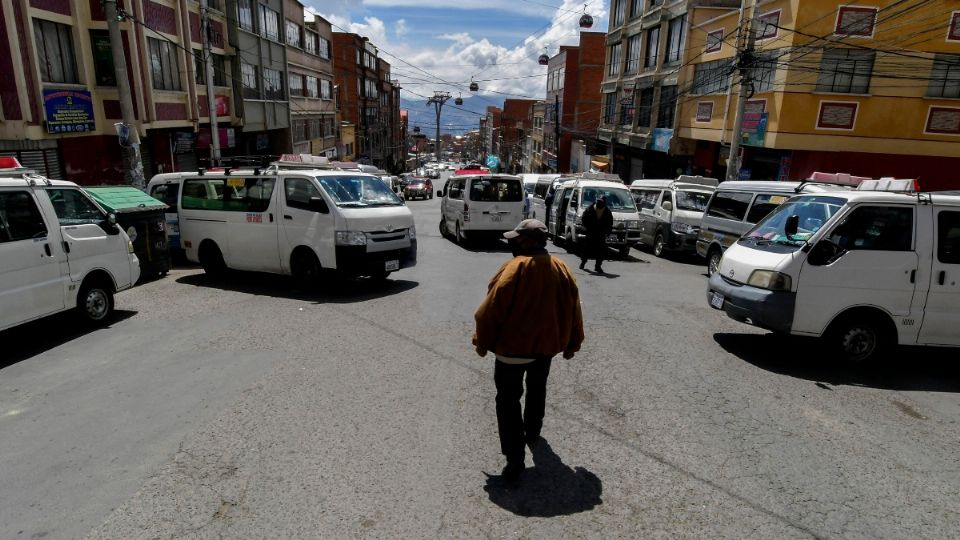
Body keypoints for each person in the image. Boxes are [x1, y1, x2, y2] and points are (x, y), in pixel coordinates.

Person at [473, 219, 585, 484]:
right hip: (545, 348)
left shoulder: (514, 268)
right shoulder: (562, 268)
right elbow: (574, 309)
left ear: (527, 241)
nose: (512, 243)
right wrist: (572, 343)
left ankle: (515, 460)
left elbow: (489, 311)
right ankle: (533, 431)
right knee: (537, 388)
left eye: (516, 239)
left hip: (511, 350)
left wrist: (482, 342)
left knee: (508, 401)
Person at [579, 195, 613, 273]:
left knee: (600, 250)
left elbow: (610, 223)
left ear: (604, 203)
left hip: (600, 233)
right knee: (587, 248)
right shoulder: (590, 209)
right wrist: (588, 227)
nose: (599, 203)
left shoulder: (607, 212)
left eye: (601, 201)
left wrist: (607, 232)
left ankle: (598, 266)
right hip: (591, 232)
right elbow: (584, 218)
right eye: (598, 201)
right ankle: (583, 262)